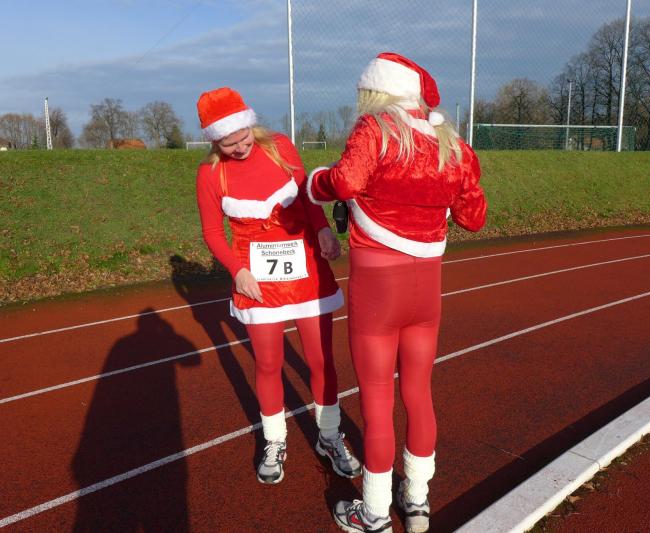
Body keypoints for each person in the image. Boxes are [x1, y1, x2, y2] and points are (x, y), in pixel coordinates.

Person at [307, 53, 487, 532]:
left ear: (377, 92)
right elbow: (474, 217)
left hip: (378, 289)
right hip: (427, 287)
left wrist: (315, 183)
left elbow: (346, 181)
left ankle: (373, 512)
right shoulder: (451, 144)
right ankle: (418, 502)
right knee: (419, 393)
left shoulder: (376, 130)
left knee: (376, 401)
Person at [195, 87, 361, 485]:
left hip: (305, 269)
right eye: (229, 143)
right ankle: (274, 439)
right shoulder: (210, 174)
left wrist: (323, 230)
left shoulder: (280, 147)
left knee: (320, 359)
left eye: (243, 137)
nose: (239, 147)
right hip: (257, 278)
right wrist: (237, 270)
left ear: (250, 126)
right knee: (269, 363)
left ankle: (329, 435)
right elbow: (212, 233)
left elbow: (307, 197)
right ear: (215, 141)